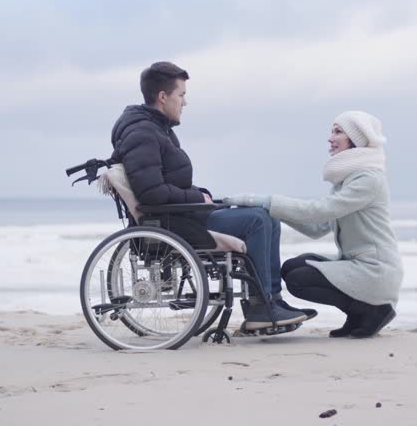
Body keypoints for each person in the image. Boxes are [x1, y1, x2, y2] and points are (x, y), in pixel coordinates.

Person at [109, 61, 313, 331]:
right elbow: (151, 194)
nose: (184, 102)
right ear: (162, 97)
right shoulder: (142, 133)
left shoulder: (155, 129)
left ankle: (269, 298)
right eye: (181, 95)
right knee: (257, 221)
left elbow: (162, 184)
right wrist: (195, 196)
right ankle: (261, 307)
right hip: (176, 222)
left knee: (269, 217)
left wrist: (197, 195)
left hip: (184, 214)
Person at [224, 111, 403, 338]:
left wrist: (262, 200)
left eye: (338, 132)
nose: (330, 138)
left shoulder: (368, 179)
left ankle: (374, 310)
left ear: (356, 140)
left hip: (376, 272)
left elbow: (320, 210)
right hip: (360, 267)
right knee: (291, 267)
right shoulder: (349, 179)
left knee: (300, 279)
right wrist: (271, 209)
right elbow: (317, 228)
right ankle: (360, 314)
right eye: (332, 131)